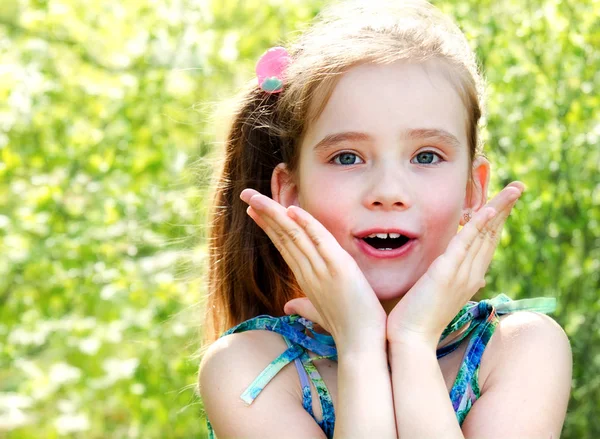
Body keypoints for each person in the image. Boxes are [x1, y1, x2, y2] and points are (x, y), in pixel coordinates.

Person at [197, 0, 572, 437]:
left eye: (426, 156)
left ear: (472, 190)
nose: (389, 193)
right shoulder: (246, 368)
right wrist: (359, 345)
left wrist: (412, 342)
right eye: (348, 157)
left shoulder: (521, 350)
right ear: (290, 193)